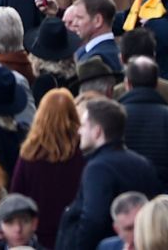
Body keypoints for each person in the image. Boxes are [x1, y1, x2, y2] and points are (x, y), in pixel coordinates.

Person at [55, 98, 160, 250]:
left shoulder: (98, 168)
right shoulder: (143, 163)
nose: (79, 131)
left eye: (83, 125)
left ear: (97, 131)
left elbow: (93, 220)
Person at [11, 88, 86, 249]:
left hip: (39, 234)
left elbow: (16, 194)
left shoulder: (29, 154)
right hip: (75, 233)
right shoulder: (83, 153)